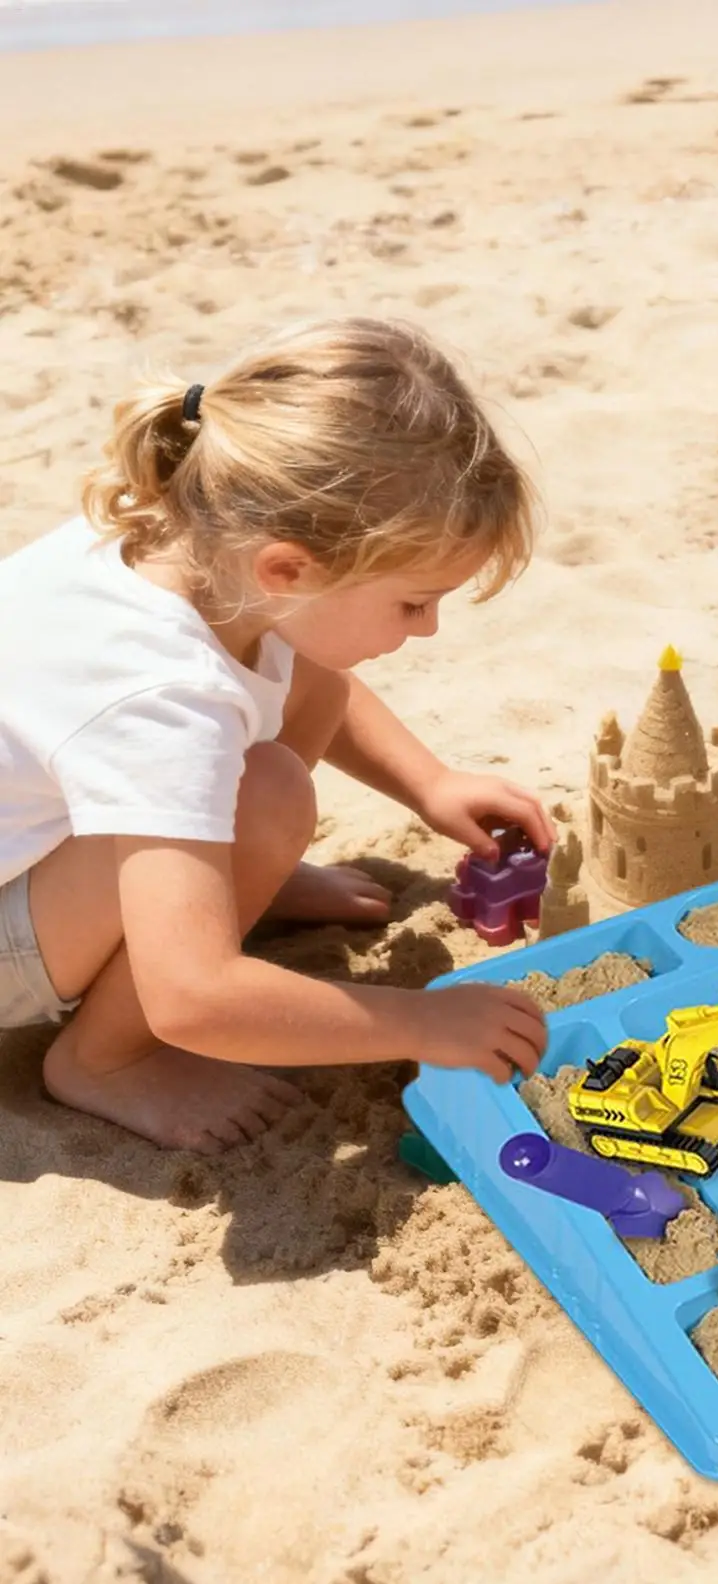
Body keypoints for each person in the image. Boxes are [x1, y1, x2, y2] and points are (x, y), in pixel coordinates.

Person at [0, 316, 553, 1154]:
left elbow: (311, 672)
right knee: (268, 793)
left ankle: (209, 881)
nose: (429, 627)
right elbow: (192, 996)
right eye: (413, 602)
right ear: (286, 567)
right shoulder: (164, 700)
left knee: (306, 672)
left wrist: (429, 784)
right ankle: (106, 1058)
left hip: (40, 845)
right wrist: (424, 1020)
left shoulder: (186, 533)